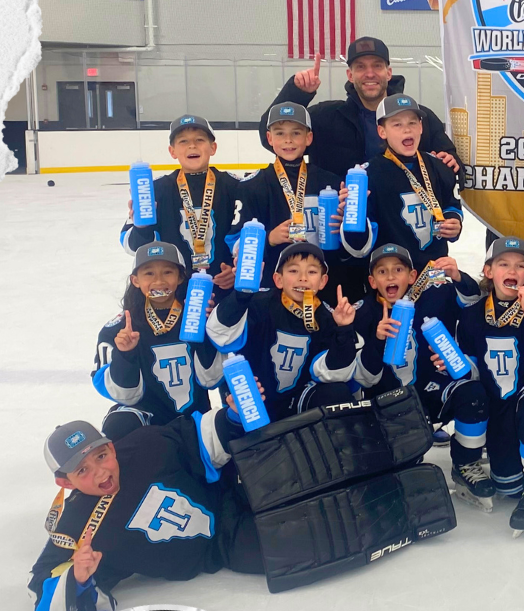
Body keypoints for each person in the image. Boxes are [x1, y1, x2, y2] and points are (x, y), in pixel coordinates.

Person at [30, 411, 263, 611]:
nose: (100, 472)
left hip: (231, 492)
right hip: (225, 546)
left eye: (101, 456)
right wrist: (78, 578)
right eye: (82, 470)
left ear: (111, 448)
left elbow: (193, 437)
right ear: (66, 483)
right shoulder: (75, 529)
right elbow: (40, 587)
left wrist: (232, 417)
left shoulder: (143, 446)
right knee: (277, 545)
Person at [451, 237, 524, 533]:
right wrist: (451, 362)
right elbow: (472, 369)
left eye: (520, 266)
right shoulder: (471, 315)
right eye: (504, 264)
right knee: (508, 486)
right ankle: (465, 461)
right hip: (497, 402)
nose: (512, 271)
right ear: (489, 271)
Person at [351, 241, 482, 476]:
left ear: (412, 276)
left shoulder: (433, 296)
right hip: (387, 401)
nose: (391, 276)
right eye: (382, 271)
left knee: (473, 395)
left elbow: (473, 302)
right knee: (399, 471)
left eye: (398, 270)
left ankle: (466, 464)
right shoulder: (362, 312)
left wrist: (458, 277)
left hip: (431, 390)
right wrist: (377, 341)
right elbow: (364, 378)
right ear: (372, 281)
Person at [207, 241, 361, 421]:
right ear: (278, 279)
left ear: (322, 281)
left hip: (298, 401)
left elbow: (336, 373)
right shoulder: (259, 302)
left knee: (337, 393)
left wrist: (344, 329)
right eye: (293, 271)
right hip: (255, 395)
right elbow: (220, 334)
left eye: (312, 272)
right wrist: (242, 293)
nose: (303, 278)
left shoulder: (328, 316)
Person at [260, 39, 458, 176]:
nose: (369, 73)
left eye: (377, 65)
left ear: (388, 73)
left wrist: (450, 161)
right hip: (340, 217)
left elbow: (452, 164)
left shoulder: (419, 117)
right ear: (350, 75)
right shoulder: (325, 118)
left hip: (402, 220)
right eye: (361, 67)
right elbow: (268, 137)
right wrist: (297, 93)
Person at [229, 102, 367, 290]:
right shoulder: (253, 186)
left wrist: (346, 221)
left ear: (308, 138)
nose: (288, 140)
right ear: (269, 138)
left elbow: (352, 247)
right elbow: (235, 242)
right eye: (280, 133)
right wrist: (268, 238)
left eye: (296, 133)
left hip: (324, 285)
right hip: (274, 287)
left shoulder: (331, 182)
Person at [93, 241, 224, 435]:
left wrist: (203, 331)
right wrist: (125, 354)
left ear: (180, 277)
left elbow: (211, 379)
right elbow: (124, 395)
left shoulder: (198, 317)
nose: (159, 281)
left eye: (168, 272)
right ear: (135, 280)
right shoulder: (118, 330)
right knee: (118, 425)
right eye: (149, 273)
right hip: (148, 423)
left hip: (195, 419)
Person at [121, 114, 240, 289]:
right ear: (172, 151)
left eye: (200, 140)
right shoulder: (155, 190)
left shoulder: (235, 186)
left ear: (213, 148)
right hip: (173, 292)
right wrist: (141, 228)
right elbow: (131, 247)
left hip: (225, 287)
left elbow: (247, 237)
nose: (192, 145)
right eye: (183, 141)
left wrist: (236, 269)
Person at [364, 94, 462, 279]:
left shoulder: (438, 165)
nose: (407, 130)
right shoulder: (370, 174)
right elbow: (363, 238)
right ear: (382, 131)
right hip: (392, 277)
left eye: (412, 123)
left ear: (421, 127)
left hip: (435, 273)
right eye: (397, 124)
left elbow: (451, 203)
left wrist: (453, 221)